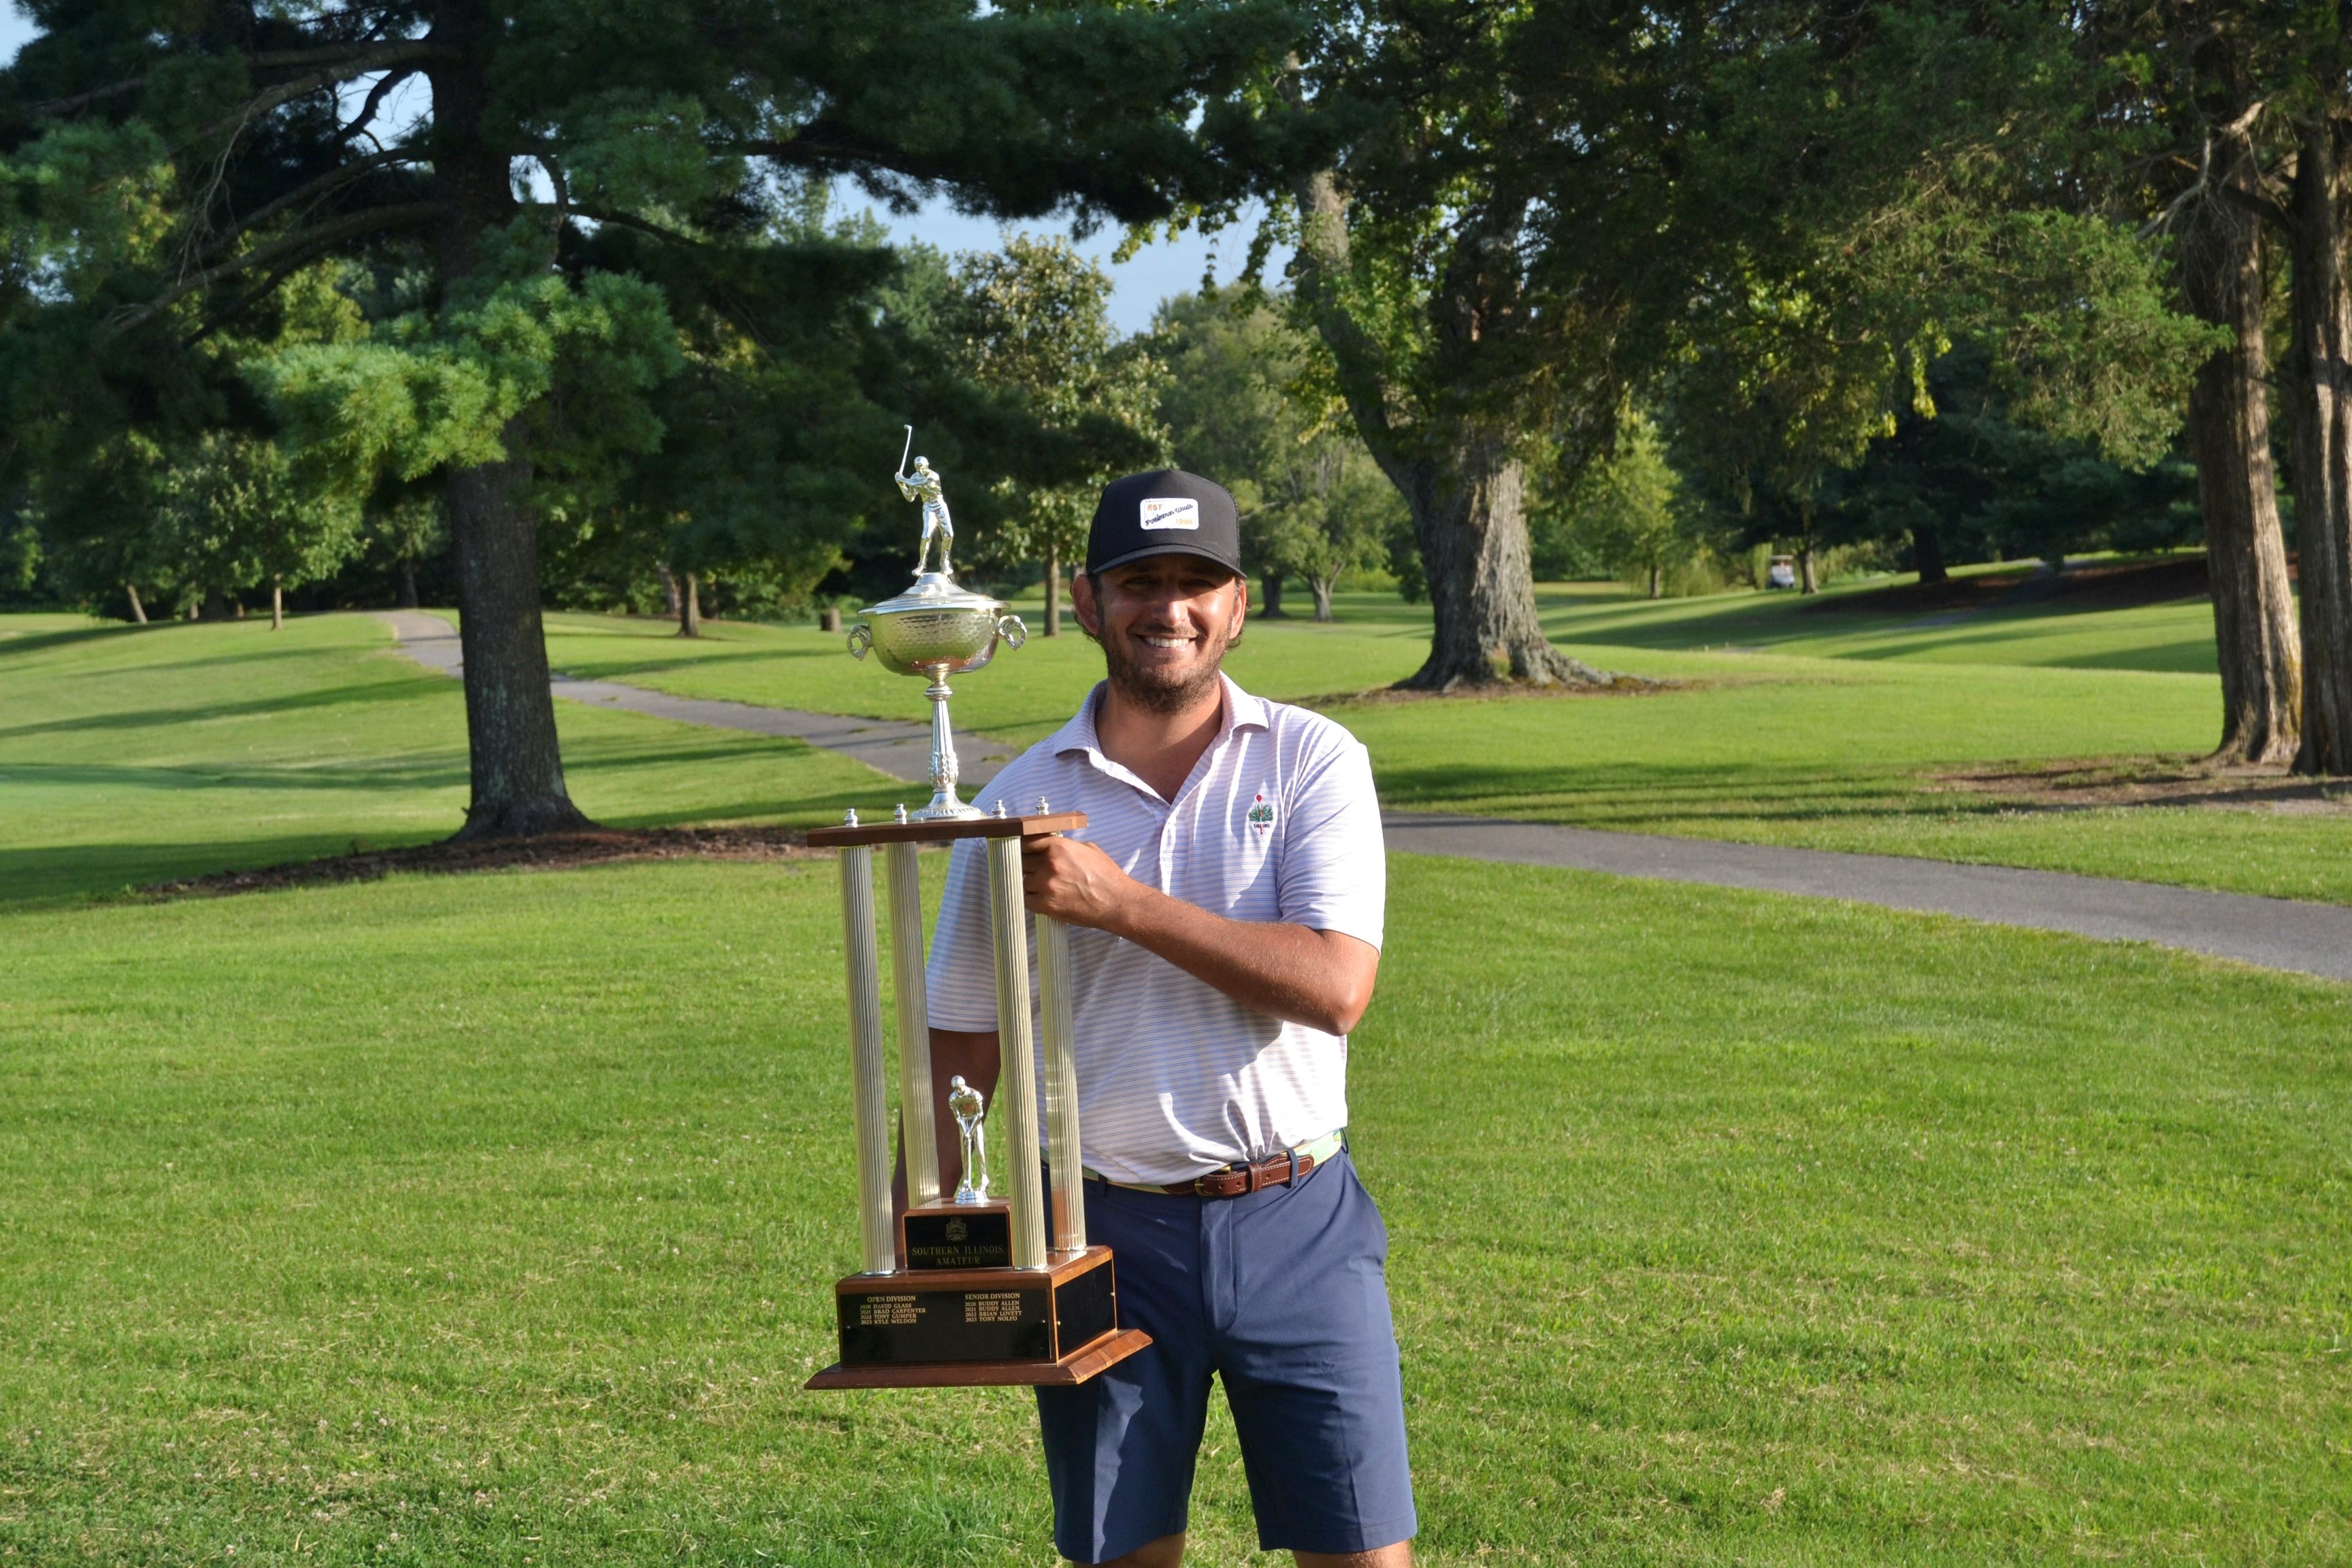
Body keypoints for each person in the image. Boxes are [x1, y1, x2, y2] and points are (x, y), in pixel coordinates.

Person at [920, 469, 1414, 1567]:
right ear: (1090, 601)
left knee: (1365, 1556)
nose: (1170, 608)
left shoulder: (1312, 759)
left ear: (1237, 605)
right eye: (1142, 580)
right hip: (1108, 1232)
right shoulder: (1015, 799)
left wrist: (1123, 904)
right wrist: (946, 1231)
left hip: (1298, 1216)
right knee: (1124, 1556)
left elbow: (1337, 988)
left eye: (1199, 582)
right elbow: (962, 1037)